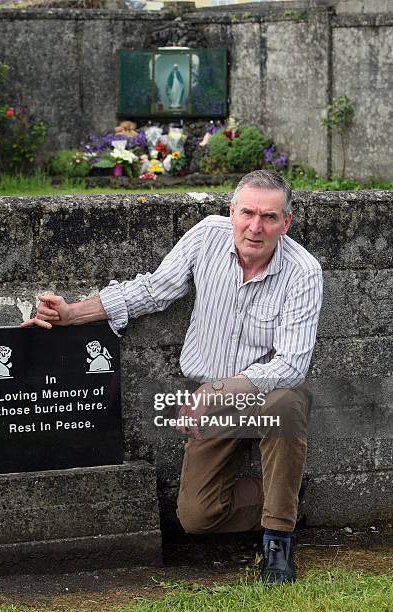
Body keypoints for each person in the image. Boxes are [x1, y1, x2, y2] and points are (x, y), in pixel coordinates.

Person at [21, 170, 323, 585]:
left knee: (288, 402)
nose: (256, 227)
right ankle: (283, 496)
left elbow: (290, 364)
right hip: (214, 404)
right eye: (248, 213)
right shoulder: (206, 237)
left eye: (269, 217)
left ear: (286, 223)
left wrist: (214, 392)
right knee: (198, 517)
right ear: (231, 211)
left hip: (264, 393)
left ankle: (277, 541)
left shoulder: (303, 270)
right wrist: (73, 314)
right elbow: (153, 290)